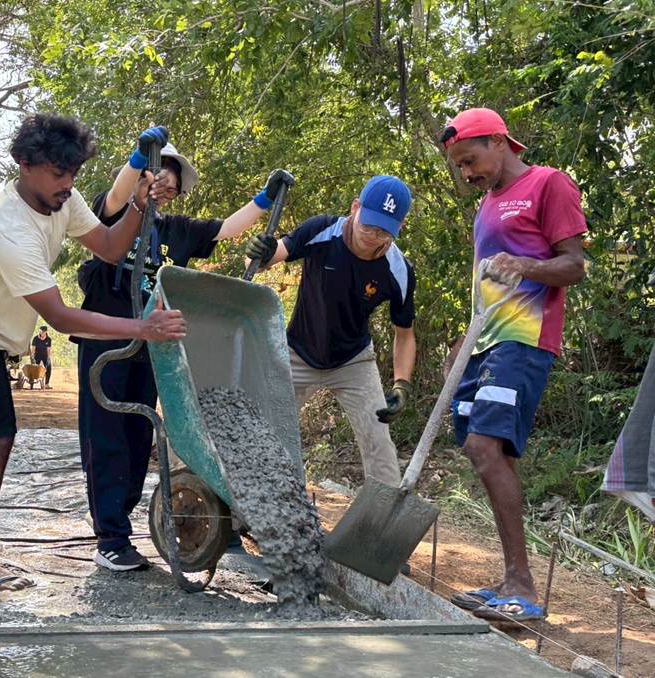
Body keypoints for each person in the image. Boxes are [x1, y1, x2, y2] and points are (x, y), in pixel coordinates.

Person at [0, 114, 186, 591]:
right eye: (58, 174)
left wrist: (139, 204)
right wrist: (143, 327)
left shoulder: (63, 199)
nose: (67, 184)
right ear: (24, 165)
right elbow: (60, 317)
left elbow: (109, 248)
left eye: (72, 173)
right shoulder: (9, 228)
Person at [75, 124, 292, 571]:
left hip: (152, 348)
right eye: (159, 177)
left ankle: (121, 524)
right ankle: (110, 537)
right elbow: (116, 194)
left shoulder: (178, 230)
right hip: (107, 341)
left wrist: (265, 198)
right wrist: (140, 158)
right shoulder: (113, 216)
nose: (165, 188)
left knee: (140, 436)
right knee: (106, 434)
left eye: (172, 184)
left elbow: (227, 228)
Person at [439, 108, 586, 622]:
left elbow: (575, 265)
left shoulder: (548, 184)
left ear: (499, 142)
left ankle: (522, 586)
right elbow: (487, 288)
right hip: (487, 342)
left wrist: (525, 265)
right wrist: (464, 342)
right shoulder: (487, 206)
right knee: (485, 449)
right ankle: (510, 582)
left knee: (484, 446)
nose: (466, 173)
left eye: (470, 160)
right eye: (459, 166)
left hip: (525, 341)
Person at [245, 175, 417, 489]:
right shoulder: (321, 230)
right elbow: (265, 259)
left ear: (399, 227)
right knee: (261, 428)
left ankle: (382, 513)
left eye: (383, 231)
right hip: (297, 354)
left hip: (353, 361)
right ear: (355, 208)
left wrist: (401, 385)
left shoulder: (399, 270)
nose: (373, 237)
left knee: (379, 442)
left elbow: (404, 334)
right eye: (368, 225)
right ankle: (249, 497)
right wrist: (260, 251)